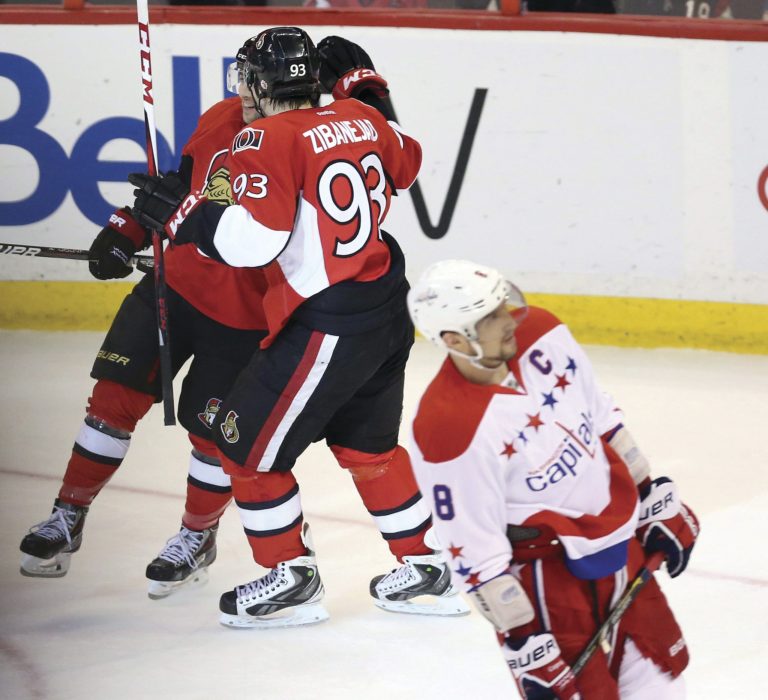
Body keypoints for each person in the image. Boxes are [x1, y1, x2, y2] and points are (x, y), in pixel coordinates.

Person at [128, 27, 468, 628]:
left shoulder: (263, 135)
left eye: (246, 79)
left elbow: (255, 242)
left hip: (328, 323)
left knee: (241, 446)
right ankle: (427, 568)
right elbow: (408, 163)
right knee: (369, 447)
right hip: (387, 309)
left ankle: (290, 580)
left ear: (260, 83)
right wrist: (370, 91)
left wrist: (184, 215)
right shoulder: (361, 118)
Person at [17, 37, 271, 600]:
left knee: (211, 436)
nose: (246, 96)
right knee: (113, 398)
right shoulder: (220, 119)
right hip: (172, 284)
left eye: (258, 84)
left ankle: (196, 535)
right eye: (243, 82)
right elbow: (175, 187)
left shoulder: (295, 145)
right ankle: (68, 514)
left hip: (247, 318)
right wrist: (126, 229)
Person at [405, 259, 699, 699]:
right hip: (547, 582)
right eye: (489, 319)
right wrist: (522, 640)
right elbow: (472, 548)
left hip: (620, 546)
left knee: (663, 684)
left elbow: (601, 416)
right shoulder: (446, 426)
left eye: (502, 305)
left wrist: (649, 492)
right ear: (454, 340)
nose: (508, 320)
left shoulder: (542, 331)